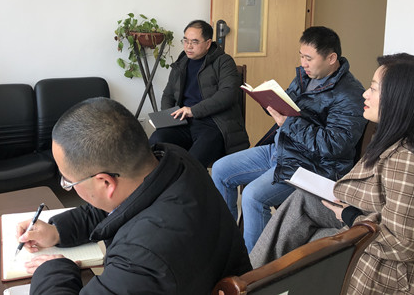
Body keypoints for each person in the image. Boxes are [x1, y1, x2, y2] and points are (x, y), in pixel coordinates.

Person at [250, 53, 414, 294]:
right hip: (374, 221)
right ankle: (251, 279)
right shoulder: (402, 137)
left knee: (312, 243)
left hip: (400, 273)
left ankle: (250, 282)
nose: (365, 94)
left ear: (399, 97)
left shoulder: (413, 160)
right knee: (304, 201)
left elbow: (402, 244)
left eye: (373, 89)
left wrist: (350, 216)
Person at [16, 97, 251, 294]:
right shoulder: (173, 160)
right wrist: (57, 231)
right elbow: (118, 208)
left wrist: (55, 268)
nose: (68, 185)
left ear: (105, 182)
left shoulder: (141, 258)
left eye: (68, 181)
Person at [211, 26, 367, 252]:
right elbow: (289, 107)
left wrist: (288, 123)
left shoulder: (349, 95)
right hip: (282, 148)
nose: (303, 63)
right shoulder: (306, 76)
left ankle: (255, 265)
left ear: (331, 58)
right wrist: (269, 101)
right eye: (301, 56)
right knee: (220, 169)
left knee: (253, 196)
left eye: (309, 58)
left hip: (311, 165)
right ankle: (228, 247)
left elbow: (334, 145)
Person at [148, 19, 250, 167]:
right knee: (155, 143)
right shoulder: (182, 62)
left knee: (192, 162)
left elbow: (228, 94)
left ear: (208, 43)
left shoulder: (224, 61)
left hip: (213, 124)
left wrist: (193, 111)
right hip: (183, 123)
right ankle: (161, 181)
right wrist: (168, 118)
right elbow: (168, 94)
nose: (188, 46)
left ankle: (184, 181)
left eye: (194, 42)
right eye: (185, 41)